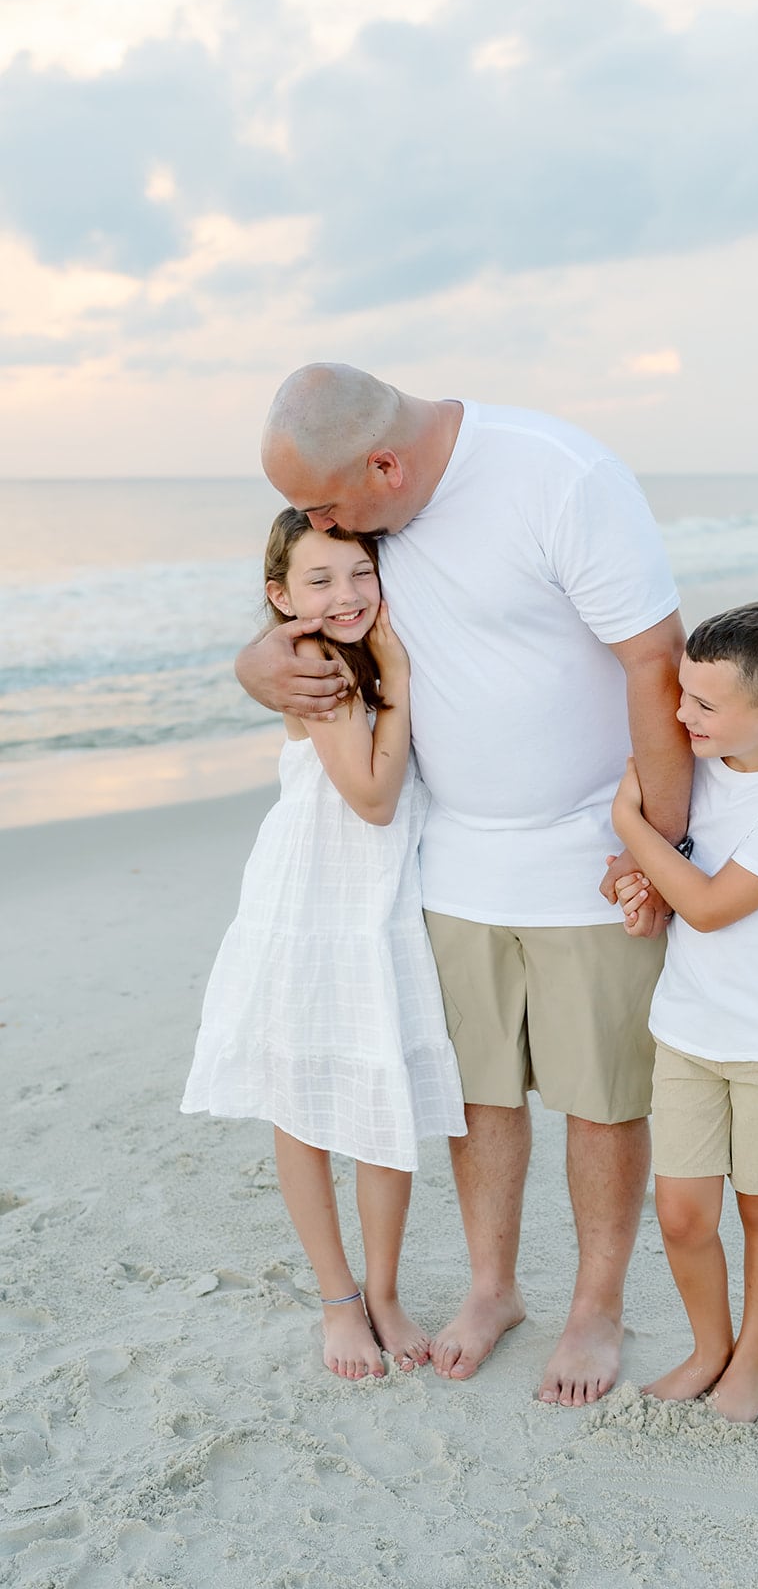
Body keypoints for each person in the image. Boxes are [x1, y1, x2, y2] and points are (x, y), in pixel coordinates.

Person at [237, 363, 692, 1405]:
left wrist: (657, 853)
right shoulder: (376, 515)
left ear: (384, 466)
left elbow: (654, 660)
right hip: (451, 861)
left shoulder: (558, 478)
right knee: (477, 1091)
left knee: (600, 1097)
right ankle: (493, 1289)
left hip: (589, 850)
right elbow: (307, 604)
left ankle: (594, 1305)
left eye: (326, 503)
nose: (318, 522)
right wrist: (249, 664)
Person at [182, 508, 466, 1382]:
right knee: (303, 1103)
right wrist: (402, 676)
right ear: (281, 597)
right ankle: (341, 1299)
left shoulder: (364, 644)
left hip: (375, 905)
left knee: (382, 1097)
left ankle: (384, 1291)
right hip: (314, 901)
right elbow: (373, 797)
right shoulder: (315, 661)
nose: (344, 594)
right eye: (318, 580)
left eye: (358, 573)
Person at [610, 602, 758, 1421]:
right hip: (686, 1029)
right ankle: (708, 1345)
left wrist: (625, 823)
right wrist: (632, 880)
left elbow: (708, 906)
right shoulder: (691, 762)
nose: (679, 715)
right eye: (681, 694)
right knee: (679, 1215)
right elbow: (656, 876)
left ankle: (756, 1353)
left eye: (704, 705)